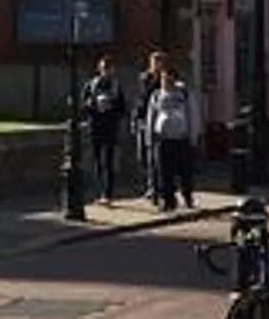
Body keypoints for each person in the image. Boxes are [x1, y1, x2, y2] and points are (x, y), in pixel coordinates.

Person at [142, 53, 196, 211]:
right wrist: (149, 138)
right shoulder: (157, 95)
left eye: (168, 79)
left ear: (175, 79)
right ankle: (168, 200)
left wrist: (193, 136)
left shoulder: (183, 94)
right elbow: (151, 116)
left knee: (184, 172)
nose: (165, 82)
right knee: (164, 173)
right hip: (163, 139)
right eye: (163, 79)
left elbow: (192, 114)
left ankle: (187, 196)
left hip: (181, 138)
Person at [82, 57, 129, 205]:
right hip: (96, 126)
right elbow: (84, 105)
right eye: (104, 68)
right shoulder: (91, 84)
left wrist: (112, 106)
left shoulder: (116, 85)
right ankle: (98, 190)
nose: (106, 71)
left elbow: (122, 108)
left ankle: (107, 193)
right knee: (96, 160)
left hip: (110, 126)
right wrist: (92, 105)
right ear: (99, 69)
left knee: (108, 161)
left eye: (109, 68)